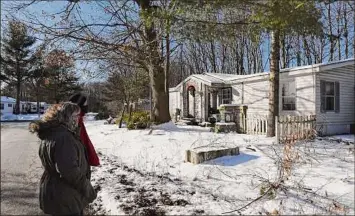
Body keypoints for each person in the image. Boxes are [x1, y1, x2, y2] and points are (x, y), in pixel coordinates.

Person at [29, 102, 97, 215]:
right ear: (66, 117)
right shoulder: (64, 137)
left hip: (55, 192)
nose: (78, 119)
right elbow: (69, 171)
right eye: (75, 116)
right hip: (64, 196)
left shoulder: (53, 133)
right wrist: (88, 189)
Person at [69, 93, 100, 167]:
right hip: (77, 163)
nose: (86, 106)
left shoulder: (78, 119)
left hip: (80, 161)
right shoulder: (74, 121)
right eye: (85, 104)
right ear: (78, 105)